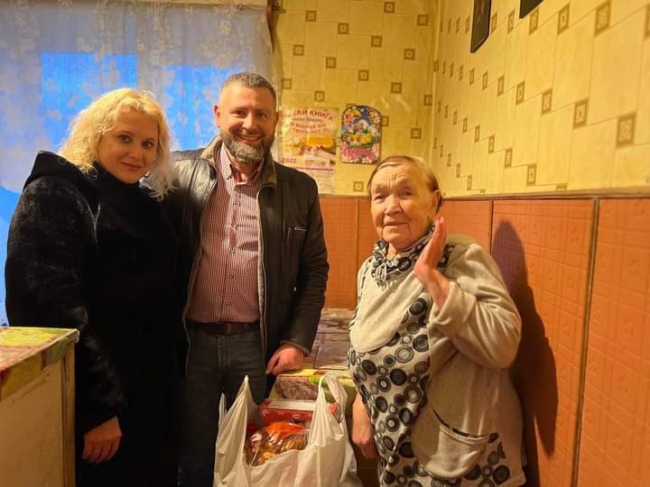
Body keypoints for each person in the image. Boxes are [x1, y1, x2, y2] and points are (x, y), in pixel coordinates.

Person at [5, 88, 185, 487]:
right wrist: (98, 408)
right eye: (124, 138)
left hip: (150, 396)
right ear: (94, 135)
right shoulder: (57, 193)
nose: (137, 153)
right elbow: (47, 309)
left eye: (148, 144)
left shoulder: (142, 202)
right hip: (99, 400)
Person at [163, 72, 329, 487]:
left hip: (258, 345)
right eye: (239, 112)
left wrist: (296, 342)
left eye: (262, 114)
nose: (250, 124)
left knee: (257, 456)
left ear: (276, 120)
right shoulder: (176, 172)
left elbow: (314, 271)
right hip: (189, 344)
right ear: (219, 114)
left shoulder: (300, 189)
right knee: (192, 457)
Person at [349, 155, 526, 487]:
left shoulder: (458, 255)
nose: (391, 207)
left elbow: (502, 346)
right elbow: (367, 348)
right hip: (398, 458)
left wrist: (434, 281)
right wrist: (361, 403)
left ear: (434, 202)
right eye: (379, 196)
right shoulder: (371, 269)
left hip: (462, 464)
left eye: (405, 193)